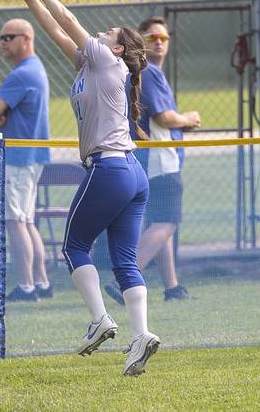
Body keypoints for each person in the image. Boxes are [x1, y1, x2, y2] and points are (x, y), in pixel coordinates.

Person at [2, 0, 159, 376]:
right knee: (125, 260)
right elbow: (56, 29)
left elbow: (69, 19)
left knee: (74, 246)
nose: (101, 33)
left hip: (109, 168)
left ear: (118, 48)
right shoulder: (92, 64)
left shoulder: (108, 60)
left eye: (108, 33)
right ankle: (140, 335)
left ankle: (100, 321)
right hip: (131, 173)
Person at [104, 17, 200, 306]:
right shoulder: (150, 72)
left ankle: (172, 286)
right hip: (160, 160)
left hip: (145, 159)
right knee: (167, 223)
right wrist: (188, 120)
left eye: (163, 37)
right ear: (141, 42)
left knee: (160, 223)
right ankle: (124, 281)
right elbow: (164, 117)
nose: (158, 41)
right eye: (151, 37)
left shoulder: (136, 72)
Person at [0, 19, 52, 302]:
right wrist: (1, 115)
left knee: (15, 221)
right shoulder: (33, 69)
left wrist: (1, 116)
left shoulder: (23, 73)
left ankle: (26, 287)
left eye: (9, 37)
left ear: (26, 39)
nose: (3, 42)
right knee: (26, 220)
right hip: (30, 157)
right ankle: (42, 282)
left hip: (20, 159)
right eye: (1, 37)